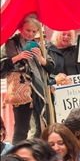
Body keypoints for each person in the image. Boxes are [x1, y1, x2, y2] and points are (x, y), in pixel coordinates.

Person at [1, 14, 54, 143]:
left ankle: (39, 152)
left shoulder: (39, 43)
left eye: (34, 31)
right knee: (22, 127)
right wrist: (18, 57)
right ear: (20, 28)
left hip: (40, 88)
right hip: (21, 89)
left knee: (42, 122)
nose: (30, 34)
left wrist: (41, 59)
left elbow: (51, 67)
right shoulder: (10, 43)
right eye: (28, 30)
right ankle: (18, 158)